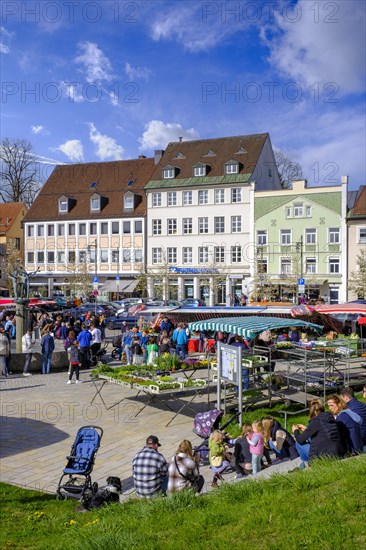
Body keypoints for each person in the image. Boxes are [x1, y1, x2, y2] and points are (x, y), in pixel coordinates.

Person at [292, 398, 346, 467]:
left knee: (298, 444)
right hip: (337, 451)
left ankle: (306, 464)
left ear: (312, 411)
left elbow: (300, 439)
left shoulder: (316, 421)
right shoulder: (329, 417)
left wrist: (295, 431)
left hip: (325, 455)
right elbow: (323, 431)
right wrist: (306, 429)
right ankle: (303, 465)